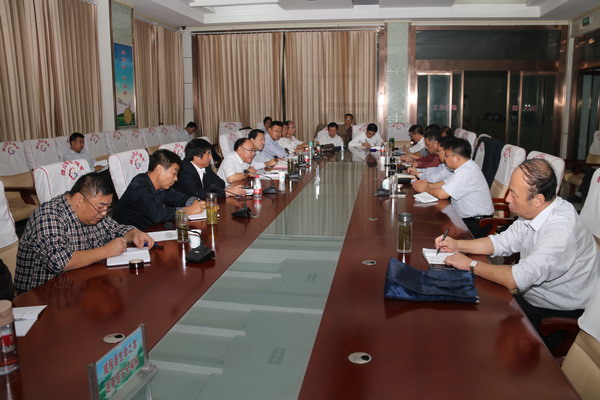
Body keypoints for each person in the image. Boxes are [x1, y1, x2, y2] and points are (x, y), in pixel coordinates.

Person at [436, 158, 599, 349]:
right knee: (466, 314)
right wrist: (457, 244)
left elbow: (516, 278)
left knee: (481, 338)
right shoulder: (536, 211)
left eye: (513, 193)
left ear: (538, 199)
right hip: (530, 297)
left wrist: (469, 264)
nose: (507, 199)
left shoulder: (561, 232)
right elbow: (500, 243)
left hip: (555, 315)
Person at [15, 172, 153, 292]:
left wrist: (134, 234)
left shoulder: (94, 213)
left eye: (108, 207)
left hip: (81, 283)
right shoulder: (48, 215)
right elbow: (59, 262)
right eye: (101, 207)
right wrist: (106, 251)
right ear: (79, 199)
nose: (104, 213)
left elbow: (115, 229)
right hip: (43, 294)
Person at [413, 138, 493, 238]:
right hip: (462, 218)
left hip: (476, 223)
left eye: (446, 155)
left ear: (457, 158)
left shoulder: (467, 171)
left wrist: (425, 189)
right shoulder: (463, 168)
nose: (444, 158)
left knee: (435, 234)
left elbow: (442, 194)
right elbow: (442, 183)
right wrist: (424, 184)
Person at [113, 149, 205, 230]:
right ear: (159, 169)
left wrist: (196, 202)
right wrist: (187, 211)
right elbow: (158, 214)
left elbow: (177, 197)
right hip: (128, 236)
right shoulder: (139, 186)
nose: (176, 179)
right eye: (174, 173)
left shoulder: (161, 186)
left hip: (149, 231)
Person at [174, 139, 246, 199]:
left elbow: (220, 183)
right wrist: (226, 192)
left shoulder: (206, 166)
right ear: (197, 158)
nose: (211, 157)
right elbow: (197, 193)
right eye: (208, 153)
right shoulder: (183, 171)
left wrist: (207, 191)